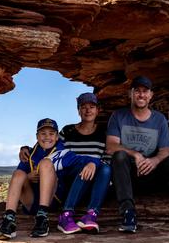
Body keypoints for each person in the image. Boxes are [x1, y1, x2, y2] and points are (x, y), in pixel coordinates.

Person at [106, 75, 169, 234]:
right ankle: (128, 214)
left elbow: (165, 151)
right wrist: (135, 154)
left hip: (152, 174)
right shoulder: (118, 116)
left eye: (145, 91)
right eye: (137, 91)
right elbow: (111, 146)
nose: (141, 95)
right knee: (119, 156)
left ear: (151, 95)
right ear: (131, 93)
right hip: (129, 176)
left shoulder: (159, 119)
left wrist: (154, 161)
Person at [0, 118, 100, 239]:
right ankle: (9, 219)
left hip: (51, 201)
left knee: (45, 163)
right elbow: (19, 179)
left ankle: (42, 218)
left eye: (51, 134)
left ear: (56, 137)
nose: (47, 137)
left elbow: (87, 159)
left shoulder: (63, 153)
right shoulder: (30, 153)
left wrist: (92, 163)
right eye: (43, 133)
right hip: (30, 201)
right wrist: (28, 177)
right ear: (37, 136)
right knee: (18, 173)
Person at [21, 92, 111, 234]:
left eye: (92, 106)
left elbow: (108, 158)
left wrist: (94, 163)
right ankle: (66, 214)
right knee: (84, 166)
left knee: (106, 169)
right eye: (83, 107)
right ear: (78, 110)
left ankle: (91, 215)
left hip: (94, 178)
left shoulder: (103, 133)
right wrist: (26, 149)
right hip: (69, 178)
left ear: (97, 110)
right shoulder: (67, 131)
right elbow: (49, 146)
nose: (88, 110)